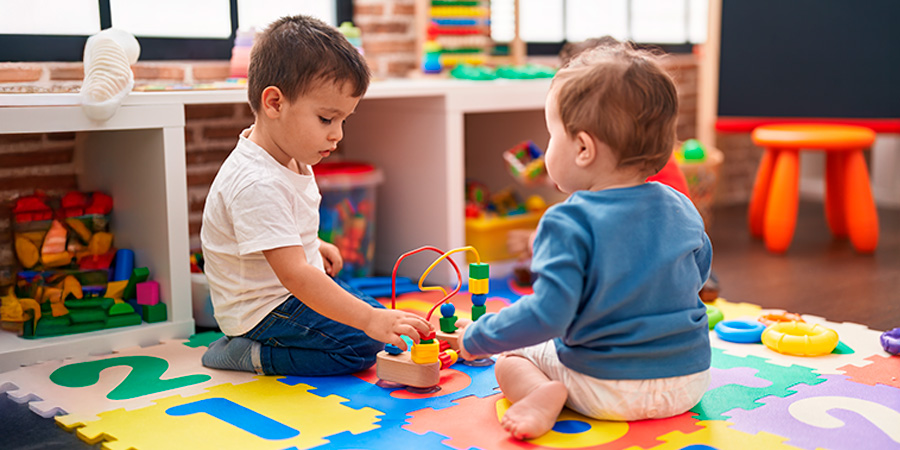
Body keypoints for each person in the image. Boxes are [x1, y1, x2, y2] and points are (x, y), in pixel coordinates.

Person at [458, 38, 712, 440]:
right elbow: (697, 276)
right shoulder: (681, 205)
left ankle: (543, 393)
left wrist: (477, 337)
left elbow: (547, 316)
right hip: (690, 380)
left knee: (510, 356)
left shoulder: (566, 220)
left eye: (551, 135)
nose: (547, 149)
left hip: (606, 389)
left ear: (582, 148)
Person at [199, 15, 432, 377]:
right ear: (274, 103)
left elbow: (282, 237)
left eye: (344, 121)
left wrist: (312, 245)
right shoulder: (255, 181)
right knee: (362, 344)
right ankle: (249, 354)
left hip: (288, 290)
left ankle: (363, 320)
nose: (337, 135)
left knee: (386, 324)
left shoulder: (290, 156)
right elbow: (294, 275)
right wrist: (369, 319)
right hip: (262, 311)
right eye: (326, 119)